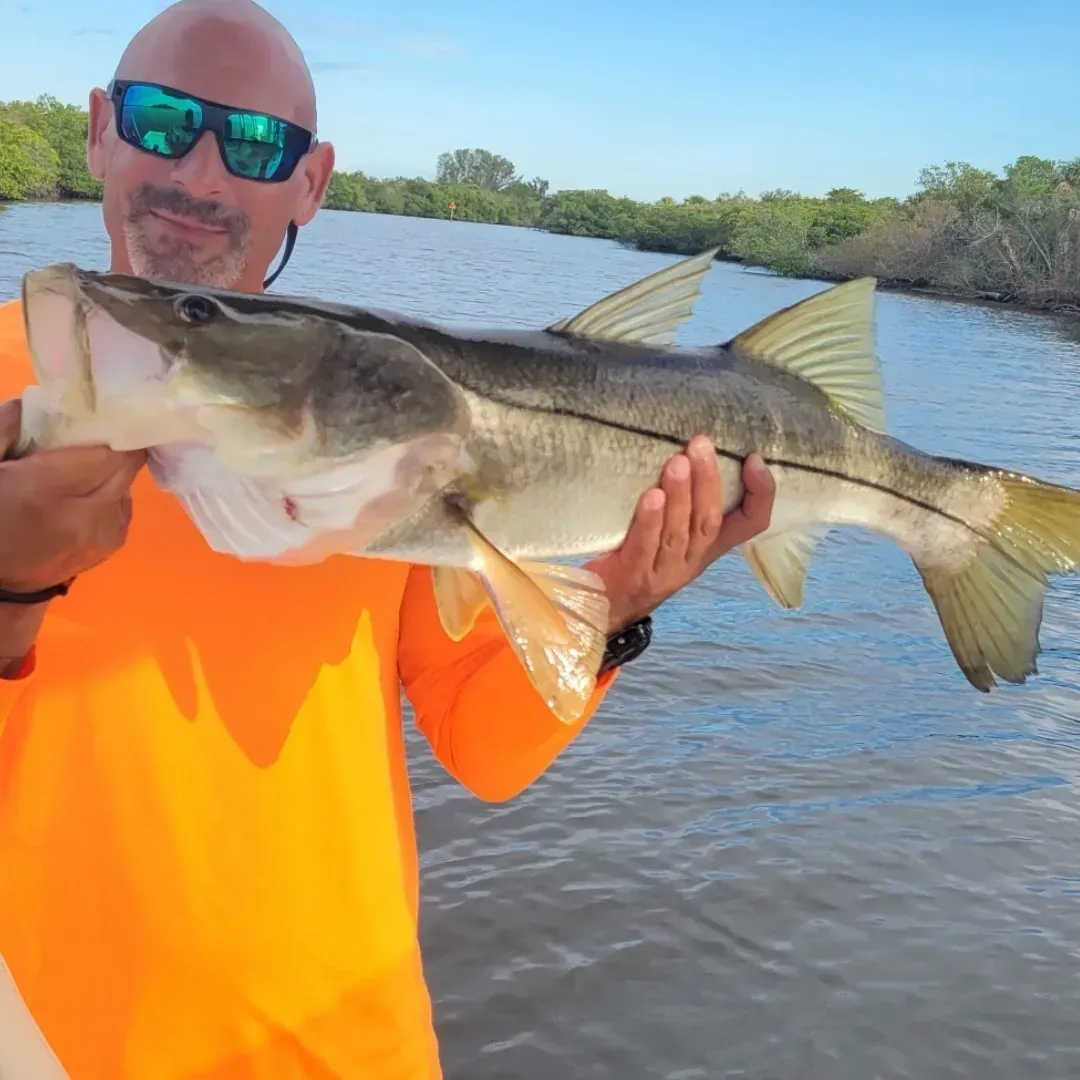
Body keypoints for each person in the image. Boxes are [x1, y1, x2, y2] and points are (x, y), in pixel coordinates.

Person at [0, 1, 777, 1076]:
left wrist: (618, 601)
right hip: (52, 1041)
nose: (205, 173)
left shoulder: (382, 415)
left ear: (310, 183)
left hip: (354, 1046)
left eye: (257, 142)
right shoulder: (11, 372)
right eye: (162, 119)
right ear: (98, 128)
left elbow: (485, 744)